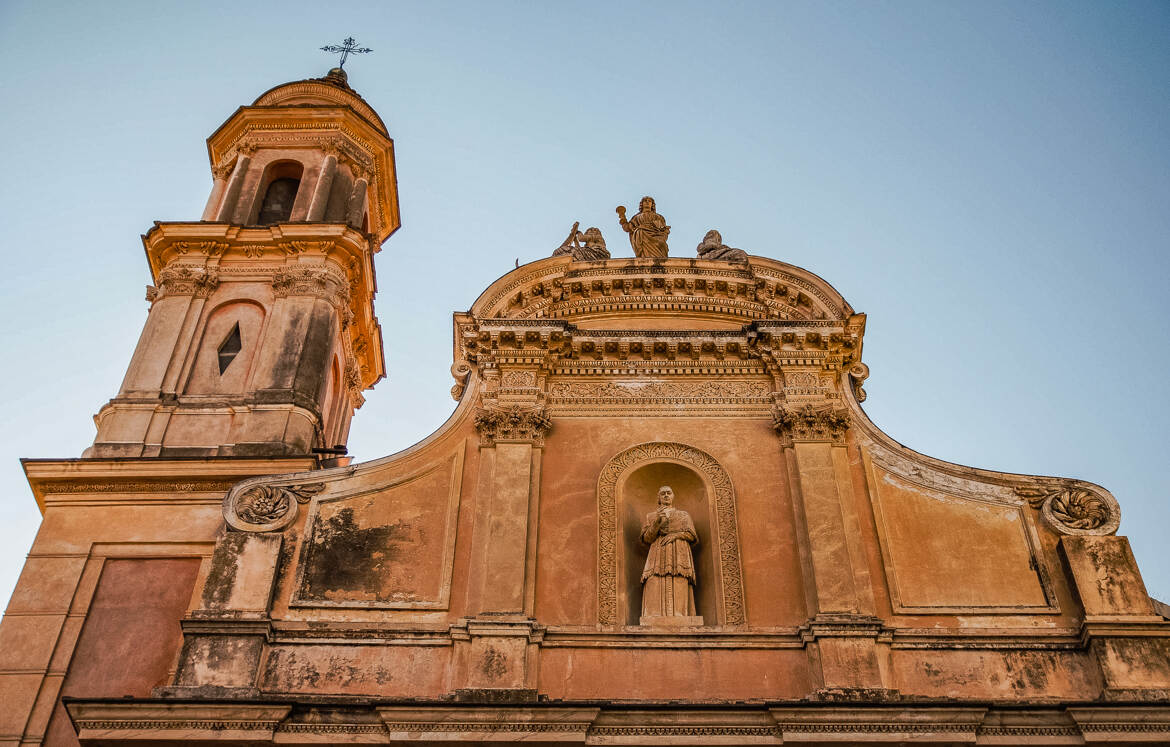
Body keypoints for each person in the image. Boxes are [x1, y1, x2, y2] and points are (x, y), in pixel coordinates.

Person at [640, 485, 700, 623]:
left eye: (669, 493)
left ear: (673, 496)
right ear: (658, 498)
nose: (666, 495)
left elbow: (692, 535)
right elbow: (647, 538)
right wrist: (657, 522)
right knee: (654, 579)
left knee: (679, 577)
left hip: (679, 552)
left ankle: (680, 614)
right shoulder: (651, 516)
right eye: (663, 494)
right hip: (657, 552)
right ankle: (654, 614)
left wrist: (676, 535)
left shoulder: (683, 515)